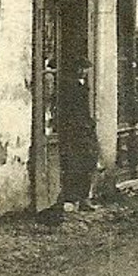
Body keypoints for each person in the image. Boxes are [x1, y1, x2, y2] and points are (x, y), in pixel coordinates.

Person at [57, 58, 100, 212]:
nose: (84, 72)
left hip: (84, 130)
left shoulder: (82, 85)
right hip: (75, 131)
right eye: (82, 69)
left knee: (88, 163)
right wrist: (84, 125)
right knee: (75, 164)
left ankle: (83, 198)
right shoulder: (69, 86)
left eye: (86, 69)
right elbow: (71, 111)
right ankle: (72, 198)